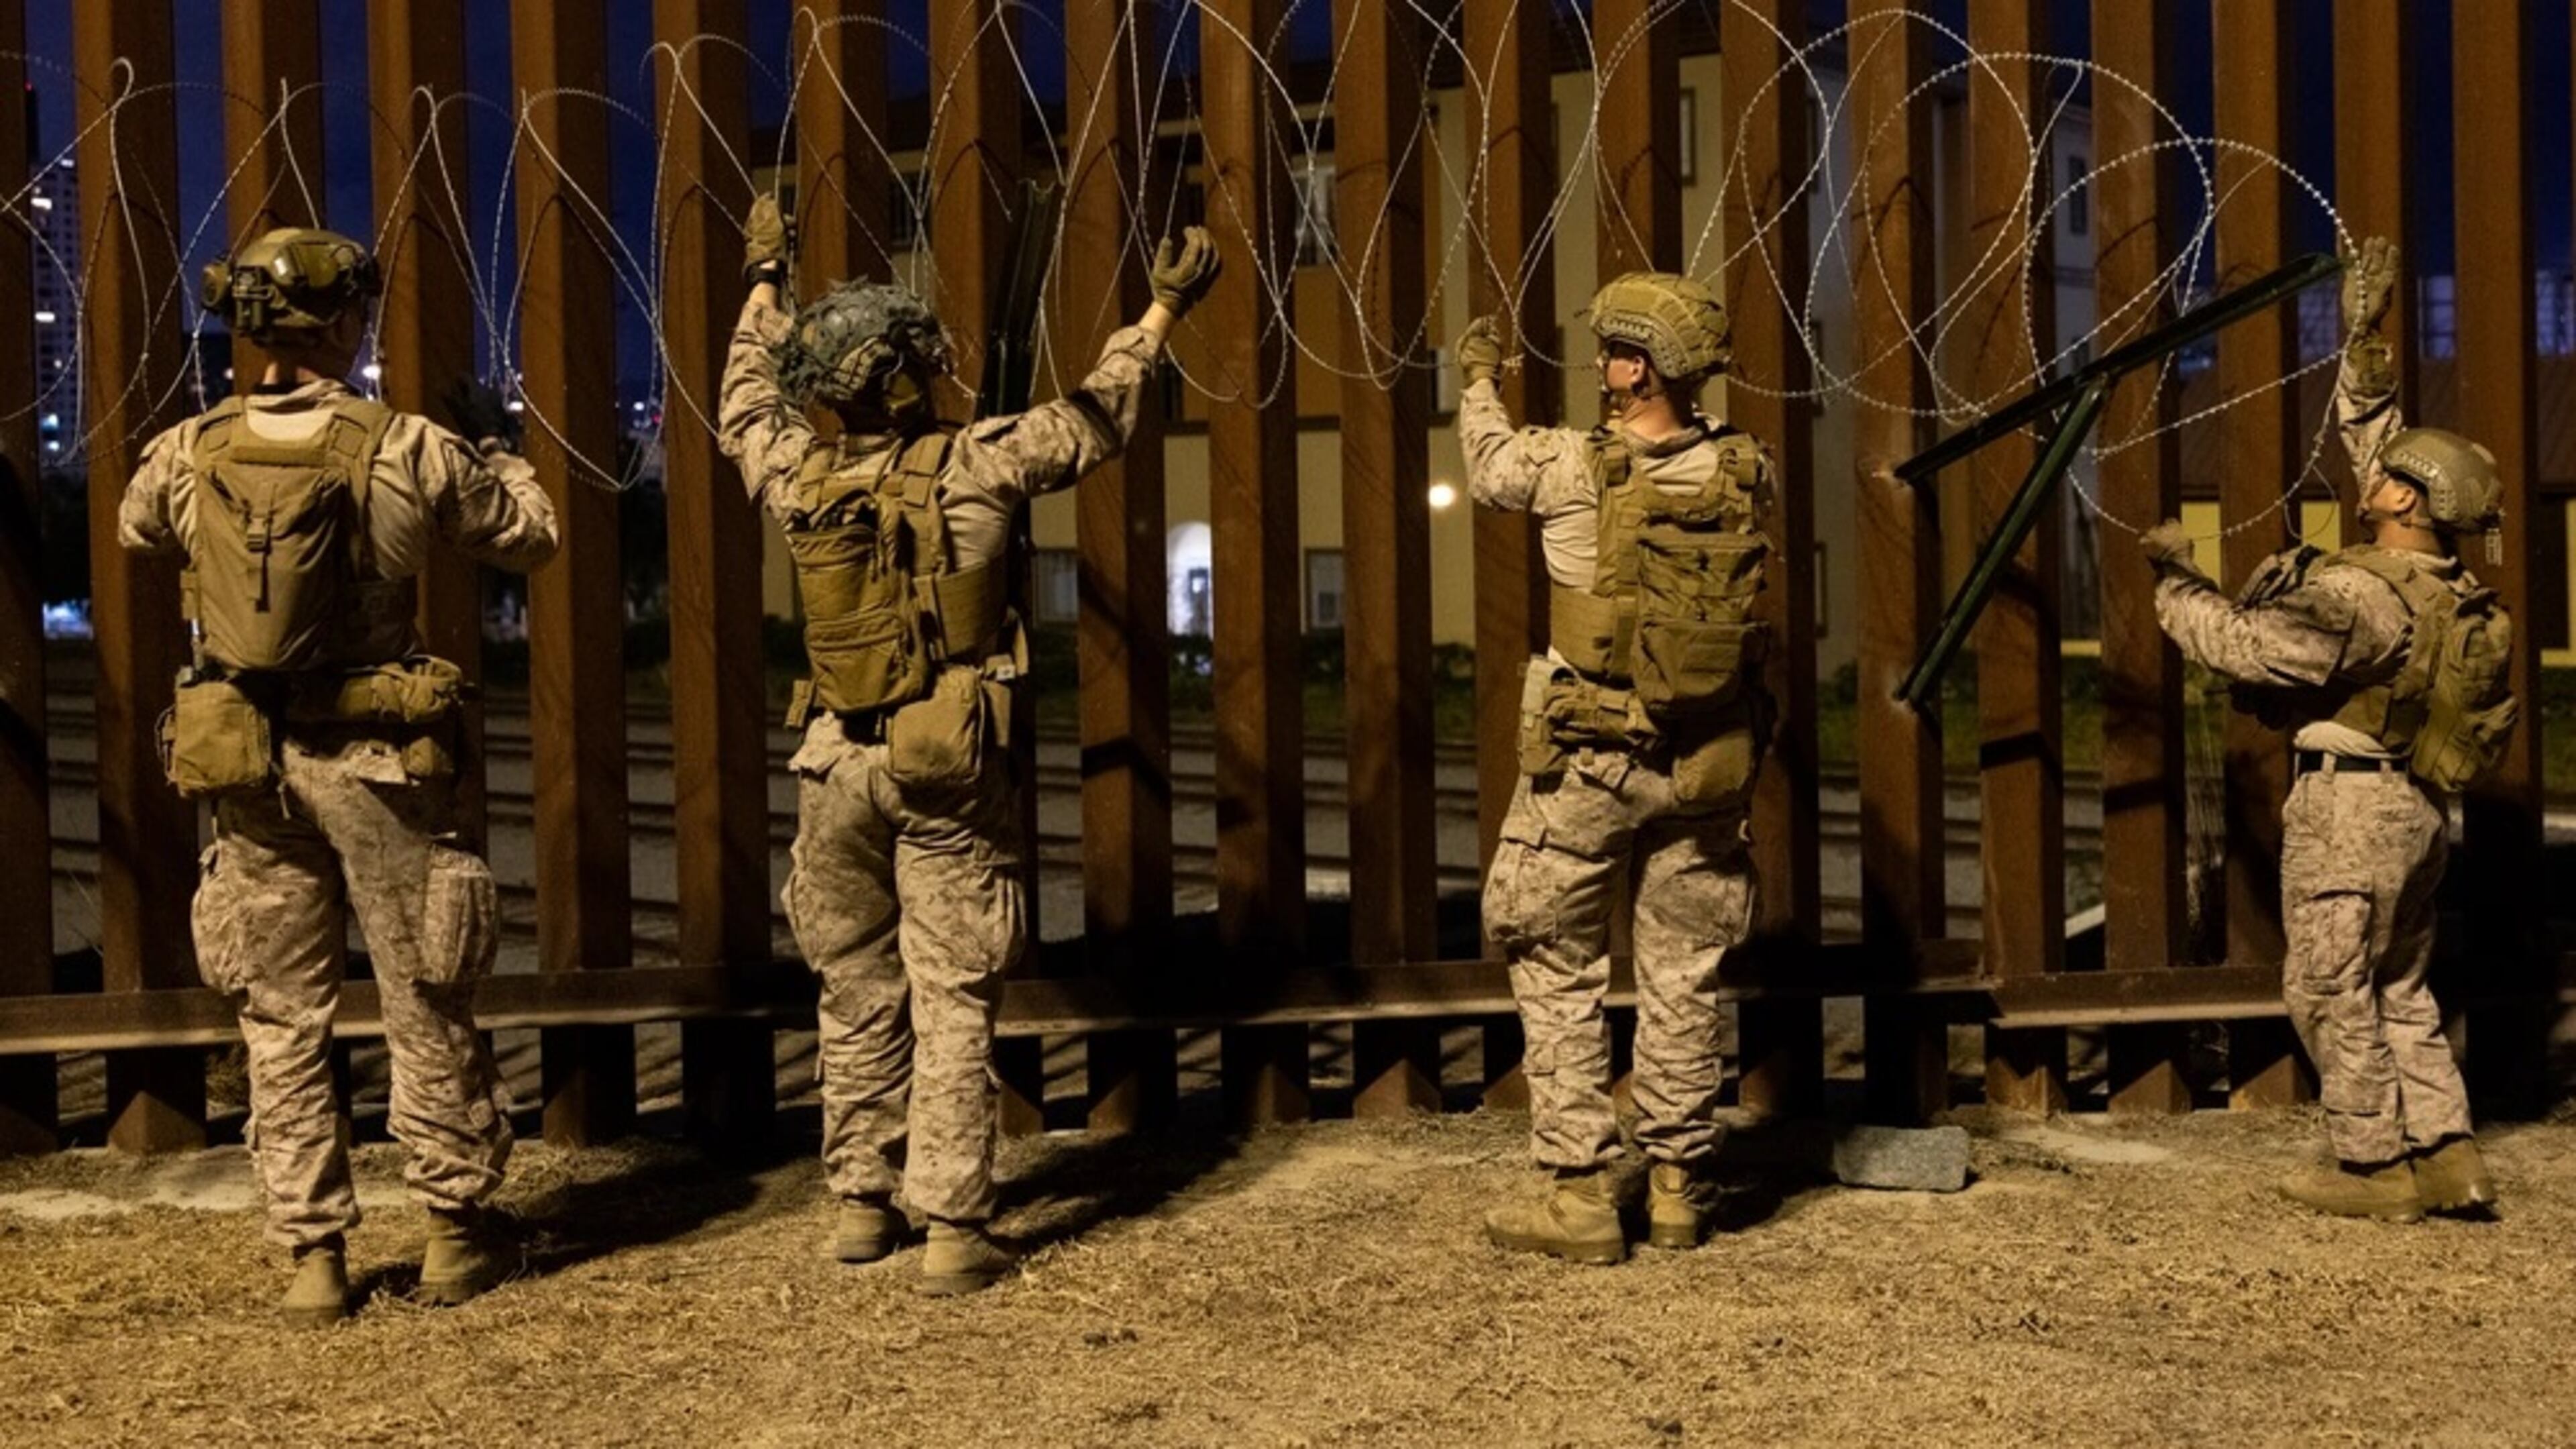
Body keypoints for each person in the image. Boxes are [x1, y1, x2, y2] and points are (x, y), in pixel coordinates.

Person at [719, 197, 1220, 1294]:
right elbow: (1100, 412)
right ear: (903, 375)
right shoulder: (982, 463)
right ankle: (952, 1225)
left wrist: (764, 275)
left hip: (833, 761)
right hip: (948, 762)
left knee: (852, 992)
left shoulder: (796, 475)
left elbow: (742, 400)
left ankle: (859, 1200)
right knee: (952, 996)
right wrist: (1164, 308)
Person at [120, 227, 559, 1326]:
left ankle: (314, 1256)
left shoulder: (187, 450)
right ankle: (455, 1232)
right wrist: (499, 449)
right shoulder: (407, 446)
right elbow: (531, 535)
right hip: (378, 764)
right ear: (346, 323)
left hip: (246, 763)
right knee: (425, 993)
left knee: (279, 1016)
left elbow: (137, 533)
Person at [2140, 235, 2514, 1222]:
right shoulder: (2450, 590)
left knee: (2328, 984)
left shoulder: (2358, 593)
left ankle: (2369, 1166)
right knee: (2402, 985)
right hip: (2419, 813)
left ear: (2405, 501)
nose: (2375, 473)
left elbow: (2254, 650)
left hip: (2349, 810)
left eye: (2390, 475)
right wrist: (2365, 340)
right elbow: (2374, 435)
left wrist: (2177, 584)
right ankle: (2448, 1153)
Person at [1454, 273, 1774, 1263]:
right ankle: (1678, 1184)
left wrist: (1477, 379)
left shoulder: (1563, 466)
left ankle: (1582, 1191)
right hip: (1709, 760)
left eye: (1613, 353)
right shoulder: (1745, 467)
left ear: (1639, 367)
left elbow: (1487, 467)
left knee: (1555, 961)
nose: (1600, 367)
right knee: (1683, 971)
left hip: (1586, 760)